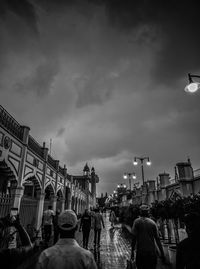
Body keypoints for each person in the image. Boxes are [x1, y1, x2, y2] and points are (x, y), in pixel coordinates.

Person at [131, 204, 165, 269]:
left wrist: (132, 252)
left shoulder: (137, 222)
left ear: (140, 212)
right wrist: (162, 253)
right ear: (148, 212)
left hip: (141, 253)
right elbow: (157, 239)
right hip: (152, 253)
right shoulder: (152, 223)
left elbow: (134, 239)